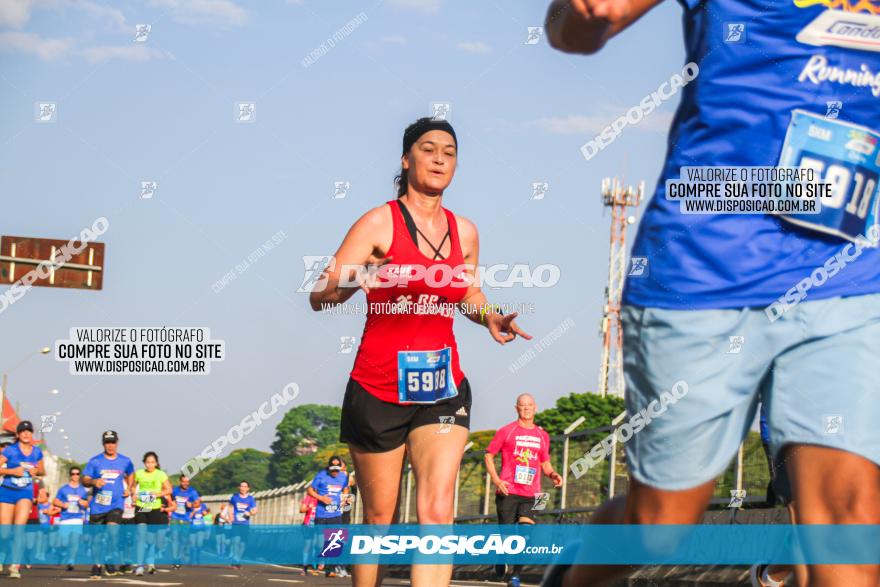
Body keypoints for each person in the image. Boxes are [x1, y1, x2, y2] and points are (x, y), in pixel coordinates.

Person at [544, 0, 880, 585]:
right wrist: (584, 16)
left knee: (846, 519)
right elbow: (578, 28)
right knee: (661, 528)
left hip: (847, 267)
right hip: (709, 262)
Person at [310, 117, 532, 587]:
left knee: (436, 510)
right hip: (377, 386)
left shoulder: (464, 232)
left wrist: (488, 315)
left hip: (441, 385)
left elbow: (467, 294)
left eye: (448, 152)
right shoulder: (378, 222)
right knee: (378, 517)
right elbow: (319, 295)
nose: (438, 159)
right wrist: (356, 278)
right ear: (406, 159)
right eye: (428, 150)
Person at [485, 394, 562, 587]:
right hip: (508, 490)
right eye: (522, 405)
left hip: (534, 493)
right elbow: (488, 455)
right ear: (516, 408)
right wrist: (497, 480)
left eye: (529, 405)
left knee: (527, 535)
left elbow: (545, 462)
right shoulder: (506, 431)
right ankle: (501, 557)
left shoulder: (542, 435)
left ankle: (516, 576)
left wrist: (552, 474)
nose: (526, 408)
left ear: (535, 408)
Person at [82, 430, 135, 579]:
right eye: (107, 442)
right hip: (98, 505)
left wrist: (130, 488)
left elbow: (131, 473)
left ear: (117, 443)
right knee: (97, 538)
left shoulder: (125, 461)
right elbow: (84, 479)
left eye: (113, 442)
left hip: (116, 503)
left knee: (113, 533)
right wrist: (93, 481)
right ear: (103, 444)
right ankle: (97, 566)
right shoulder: (95, 461)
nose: (110, 445)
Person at [0, 420, 45, 579]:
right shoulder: (10, 451)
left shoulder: (37, 452)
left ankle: (14, 566)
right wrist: (12, 471)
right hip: (7, 492)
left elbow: (42, 470)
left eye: (29, 431)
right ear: (18, 435)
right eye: (23, 431)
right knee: (5, 532)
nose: (26, 434)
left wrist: (36, 471)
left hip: (24, 493)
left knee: (19, 530)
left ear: (32, 434)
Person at [307, 456, 350, 577]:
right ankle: (319, 560)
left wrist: (344, 499)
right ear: (329, 468)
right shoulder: (321, 475)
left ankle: (330, 569)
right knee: (320, 543)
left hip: (336, 514)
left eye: (337, 469)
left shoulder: (343, 476)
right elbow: (309, 490)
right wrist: (321, 498)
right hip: (321, 513)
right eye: (333, 470)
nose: (335, 472)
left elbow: (346, 489)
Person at [130, 451, 172, 576]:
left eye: (152, 462)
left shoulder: (161, 474)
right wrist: (133, 494)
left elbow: (169, 489)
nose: (150, 465)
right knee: (141, 536)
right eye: (148, 462)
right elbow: (132, 486)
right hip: (142, 507)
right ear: (144, 463)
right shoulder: (139, 473)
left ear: (156, 463)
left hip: (154, 508)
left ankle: (150, 562)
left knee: (150, 539)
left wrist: (157, 494)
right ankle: (139, 565)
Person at [54, 467, 90, 572]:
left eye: (77, 474)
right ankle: (63, 552)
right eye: (73, 474)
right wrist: (62, 504)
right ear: (70, 475)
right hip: (65, 518)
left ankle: (71, 561)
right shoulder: (63, 489)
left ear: (80, 475)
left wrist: (82, 503)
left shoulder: (83, 490)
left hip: (77, 518)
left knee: (74, 541)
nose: (75, 476)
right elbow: (55, 501)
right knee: (64, 542)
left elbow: (87, 504)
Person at [169, 474, 201, 569]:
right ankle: (175, 559)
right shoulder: (175, 490)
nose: (186, 483)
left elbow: (198, 504)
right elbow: (169, 499)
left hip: (186, 518)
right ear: (180, 481)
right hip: (175, 517)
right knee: (174, 537)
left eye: (187, 482)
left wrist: (191, 505)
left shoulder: (192, 491)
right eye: (184, 481)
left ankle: (179, 558)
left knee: (183, 540)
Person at [228, 480, 257, 570]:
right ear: (239, 487)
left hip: (245, 523)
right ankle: (235, 560)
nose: (243, 488)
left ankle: (238, 559)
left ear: (248, 488)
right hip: (236, 523)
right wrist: (230, 516)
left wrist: (250, 513)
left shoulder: (251, 499)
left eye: (245, 486)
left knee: (243, 543)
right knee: (236, 541)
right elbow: (230, 507)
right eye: (241, 486)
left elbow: (255, 510)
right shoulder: (234, 497)